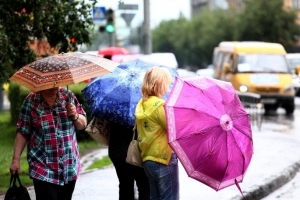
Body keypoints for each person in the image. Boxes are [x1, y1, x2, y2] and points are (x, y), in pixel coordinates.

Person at [9, 87, 87, 200]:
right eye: (50, 84)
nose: (53, 87)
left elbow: (83, 124)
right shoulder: (31, 100)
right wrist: (15, 160)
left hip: (68, 166)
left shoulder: (67, 96)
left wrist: (75, 116)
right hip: (42, 166)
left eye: (56, 83)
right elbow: (23, 131)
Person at [135, 66, 179, 200]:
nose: (168, 86)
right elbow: (174, 128)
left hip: (148, 159)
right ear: (159, 83)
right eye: (166, 82)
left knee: (155, 197)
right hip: (163, 158)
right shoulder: (160, 105)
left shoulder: (142, 103)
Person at [108, 121, 150, 200]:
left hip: (116, 148)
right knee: (144, 185)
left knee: (125, 185)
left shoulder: (114, 108)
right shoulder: (139, 109)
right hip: (136, 150)